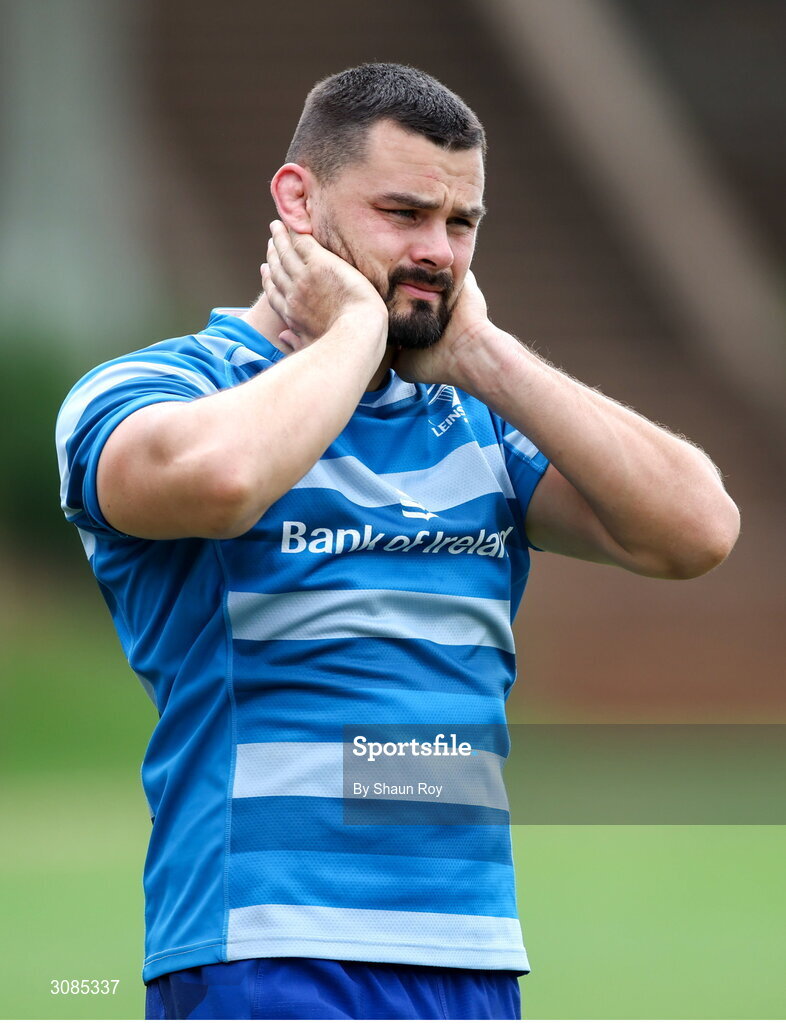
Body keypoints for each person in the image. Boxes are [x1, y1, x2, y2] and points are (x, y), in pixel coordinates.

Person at [55, 62, 740, 1020]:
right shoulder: (163, 389)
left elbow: (696, 531)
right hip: (269, 944)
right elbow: (218, 483)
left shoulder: (476, 417)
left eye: (461, 226)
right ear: (298, 199)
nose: (438, 252)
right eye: (404, 214)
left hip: (470, 950)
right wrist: (350, 332)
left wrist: (484, 357)